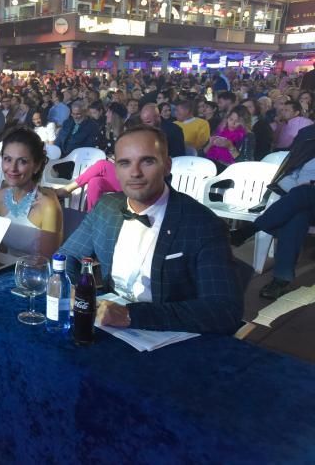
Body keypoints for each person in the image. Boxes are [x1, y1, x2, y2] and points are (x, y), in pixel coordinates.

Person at [58, 125, 243, 334]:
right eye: (125, 163)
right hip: (108, 329)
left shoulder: (203, 224)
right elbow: (66, 257)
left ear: (167, 166)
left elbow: (225, 310)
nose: (135, 173)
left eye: (147, 161)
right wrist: (73, 289)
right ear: (116, 169)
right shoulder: (106, 208)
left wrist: (131, 315)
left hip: (170, 334)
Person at [231, 184, 315, 299]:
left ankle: (249, 230)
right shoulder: (300, 164)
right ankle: (281, 279)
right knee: (297, 218)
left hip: (302, 196)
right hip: (300, 204)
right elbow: (285, 181)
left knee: (304, 191)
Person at [0, 128, 63, 257]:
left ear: (37, 165)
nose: (12, 168)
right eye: (7, 159)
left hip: (36, 274)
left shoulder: (48, 206)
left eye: (22, 161)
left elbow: (46, 263)